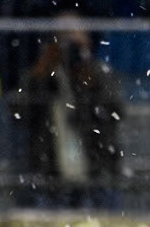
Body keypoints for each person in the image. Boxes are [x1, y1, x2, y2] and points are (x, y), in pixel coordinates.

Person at [13, 18, 125, 210]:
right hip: (50, 174)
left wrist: (89, 83)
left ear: (88, 43)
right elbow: (19, 112)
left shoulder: (101, 74)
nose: (71, 50)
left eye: (77, 42)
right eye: (65, 40)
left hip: (96, 171)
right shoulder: (41, 75)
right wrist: (40, 75)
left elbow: (116, 110)